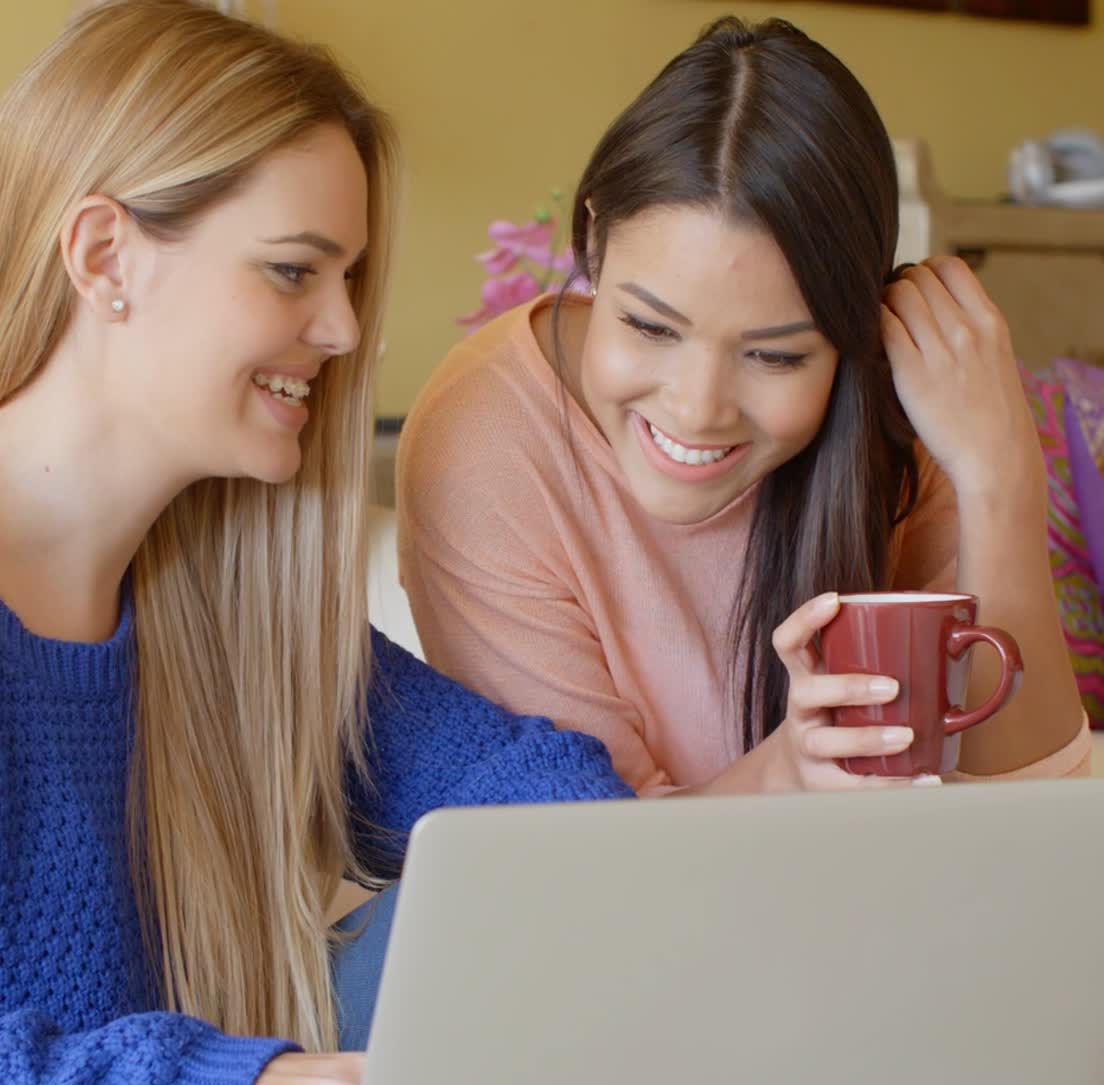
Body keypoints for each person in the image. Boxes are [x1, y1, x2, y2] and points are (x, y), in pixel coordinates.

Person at [0, 0, 633, 1085]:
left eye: (350, 277)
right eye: (294, 269)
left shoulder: (220, 590)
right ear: (103, 257)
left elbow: (517, 798)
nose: (346, 330)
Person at [396, 16, 1090, 798]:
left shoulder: (903, 407)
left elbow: (1036, 796)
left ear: (851, 339)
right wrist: (782, 776)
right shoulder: (484, 439)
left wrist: (998, 478)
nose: (696, 411)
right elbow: (579, 860)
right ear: (592, 242)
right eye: (650, 326)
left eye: (775, 355)